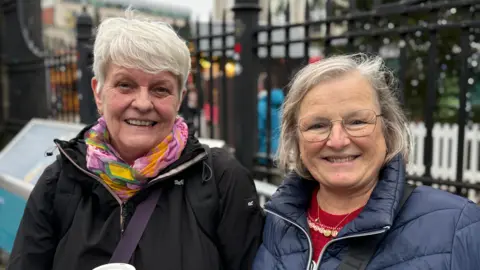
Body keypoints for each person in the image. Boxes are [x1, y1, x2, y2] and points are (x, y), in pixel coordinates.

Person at [8, 11, 264, 270]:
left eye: (160, 89)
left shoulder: (220, 180)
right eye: (125, 85)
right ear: (98, 93)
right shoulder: (58, 183)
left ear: (180, 98)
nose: (142, 103)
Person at [253, 53, 480, 270]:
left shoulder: (457, 227)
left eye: (357, 121)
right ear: (296, 138)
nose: (337, 141)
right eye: (317, 125)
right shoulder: (275, 223)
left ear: (387, 129)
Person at [257, 75, 284, 165]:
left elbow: (259, 130)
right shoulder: (284, 104)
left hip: (265, 152)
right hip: (282, 151)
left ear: (261, 86)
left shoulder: (262, 105)